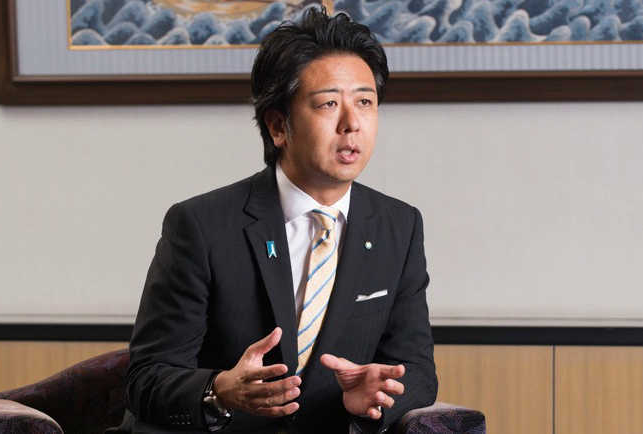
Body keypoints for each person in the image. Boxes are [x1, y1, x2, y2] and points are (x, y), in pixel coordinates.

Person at [124, 8, 437, 434]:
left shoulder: (399, 226)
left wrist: (374, 398)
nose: (352, 124)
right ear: (278, 126)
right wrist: (219, 391)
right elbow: (146, 378)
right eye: (329, 104)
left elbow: (417, 371)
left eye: (365, 102)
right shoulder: (200, 225)